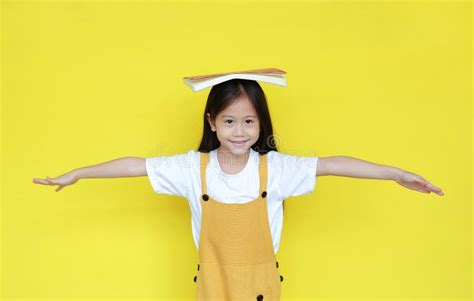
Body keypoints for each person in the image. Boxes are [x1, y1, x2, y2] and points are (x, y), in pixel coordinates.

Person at [33, 78, 444, 300]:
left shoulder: (277, 169)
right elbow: (134, 166)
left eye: (249, 121)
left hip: (262, 288)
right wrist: (77, 173)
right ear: (212, 122)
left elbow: (334, 164)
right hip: (212, 288)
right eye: (229, 121)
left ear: (261, 124)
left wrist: (394, 173)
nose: (239, 131)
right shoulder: (193, 169)